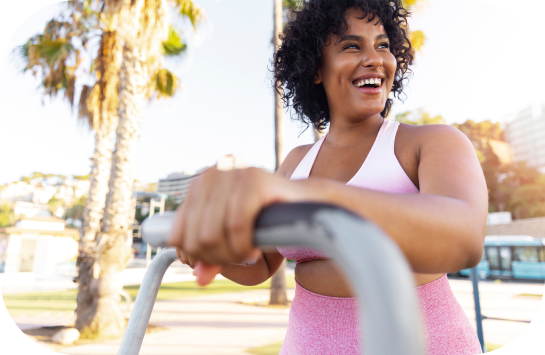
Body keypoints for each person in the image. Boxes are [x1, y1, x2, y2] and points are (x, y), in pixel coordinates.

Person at [167, 0, 487, 354]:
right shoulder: (295, 163)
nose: (375, 59)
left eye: (383, 45)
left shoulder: (431, 142)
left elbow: (465, 238)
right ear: (315, 68)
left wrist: (310, 196)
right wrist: (207, 246)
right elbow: (262, 266)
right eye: (352, 46)